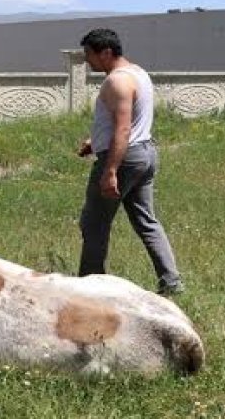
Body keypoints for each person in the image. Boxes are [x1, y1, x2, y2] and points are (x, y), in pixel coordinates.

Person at [76, 28, 184, 296]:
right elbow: (131, 121)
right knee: (146, 220)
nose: (87, 61)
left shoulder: (117, 82)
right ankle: (171, 282)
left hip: (125, 158)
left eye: (90, 54)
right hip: (144, 153)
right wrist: (96, 141)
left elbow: (124, 129)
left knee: (94, 223)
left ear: (106, 52)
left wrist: (110, 170)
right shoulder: (138, 73)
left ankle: (90, 288)